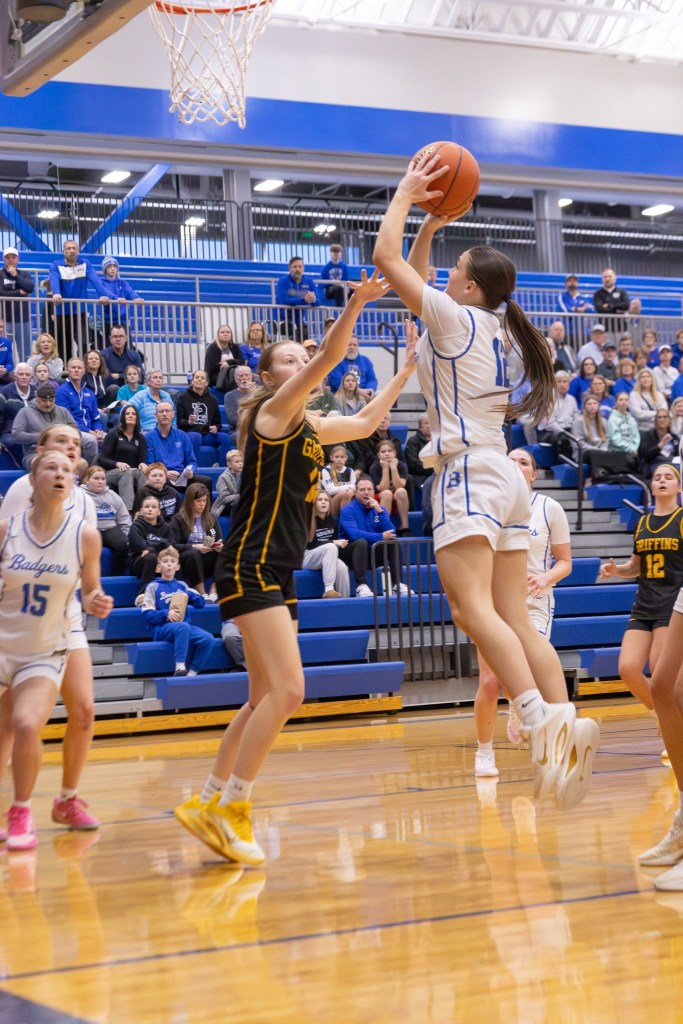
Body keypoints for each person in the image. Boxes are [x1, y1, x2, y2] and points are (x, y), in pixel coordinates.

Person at [372, 150, 599, 811]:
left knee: (471, 610)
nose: (443, 277)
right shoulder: (492, 323)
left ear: (469, 288)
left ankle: (539, 721)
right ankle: (564, 725)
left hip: (468, 470)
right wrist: (430, 226)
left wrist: (405, 194)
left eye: (453, 273)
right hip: (504, 473)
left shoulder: (454, 318)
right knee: (513, 618)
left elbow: (386, 260)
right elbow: (416, 271)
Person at [175, 269, 419, 865]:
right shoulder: (274, 413)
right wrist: (357, 304)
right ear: (268, 377)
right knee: (290, 691)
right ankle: (233, 807)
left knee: (263, 697)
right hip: (252, 561)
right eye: (290, 359)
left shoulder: (308, 425)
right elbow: (332, 355)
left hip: (276, 567)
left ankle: (208, 800)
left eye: (301, 358)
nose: (302, 362)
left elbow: (364, 424)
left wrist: (404, 373)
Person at [0, 450, 112, 850]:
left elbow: (91, 590)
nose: (61, 474)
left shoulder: (85, 535)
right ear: (32, 479)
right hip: (3, 642)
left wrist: (97, 600)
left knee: (27, 723)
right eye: (51, 467)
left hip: (44, 649)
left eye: (67, 469)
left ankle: (21, 811)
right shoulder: (6, 530)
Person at [473, 449, 572, 778]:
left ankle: (541, 734)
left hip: (534, 602)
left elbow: (565, 562)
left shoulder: (549, 508)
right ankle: (484, 751)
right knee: (490, 682)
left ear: (534, 474)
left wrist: (545, 578)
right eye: (511, 460)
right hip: (491, 602)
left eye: (524, 462)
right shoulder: (487, 508)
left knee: (530, 672)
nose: (516, 465)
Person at [599, 464, 683, 711]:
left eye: (668, 477)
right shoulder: (643, 523)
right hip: (644, 606)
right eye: (657, 478)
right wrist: (616, 570)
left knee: (660, 672)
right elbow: (635, 566)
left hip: (671, 605)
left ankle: (671, 724)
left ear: (679, 487)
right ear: (652, 487)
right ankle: (666, 717)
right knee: (627, 668)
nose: (662, 480)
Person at [140, 546, 213, 677]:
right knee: (183, 627)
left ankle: (192, 674)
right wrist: (166, 614)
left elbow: (201, 604)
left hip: (183, 628)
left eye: (172, 561)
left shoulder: (182, 586)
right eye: (165, 561)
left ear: (178, 567)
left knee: (208, 639)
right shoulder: (152, 587)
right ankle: (180, 667)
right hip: (161, 628)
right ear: (158, 567)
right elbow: (147, 615)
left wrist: (190, 595)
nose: (169, 564)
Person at [339, 475, 410, 595]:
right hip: (351, 555)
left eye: (369, 489)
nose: (366, 492)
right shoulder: (348, 510)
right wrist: (380, 537)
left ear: (373, 492)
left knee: (394, 543)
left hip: (371, 554)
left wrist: (380, 512)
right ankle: (361, 586)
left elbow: (392, 533)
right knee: (361, 542)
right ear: (356, 493)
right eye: (362, 490)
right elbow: (354, 534)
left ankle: (396, 584)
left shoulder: (379, 509)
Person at [49, 239, 109, 361]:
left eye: (74, 248)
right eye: (68, 248)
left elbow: (95, 280)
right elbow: (54, 279)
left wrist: (102, 295)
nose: (71, 251)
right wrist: (56, 293)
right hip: (62, 312)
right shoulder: (56, 265)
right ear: (64, 252)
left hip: (80, 312)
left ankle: (83, 367)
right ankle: (66, 369)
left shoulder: (85, 264)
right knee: (64, 346)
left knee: (84, 343)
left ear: (77, 250)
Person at [144, 402, 212, 493]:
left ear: (173, 414)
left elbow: (192, 461)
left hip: (182, 476)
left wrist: (191, 471)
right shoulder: (149, 437)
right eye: (161, 411)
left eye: (167, 411)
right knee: (162, 482)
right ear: (155, 415)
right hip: (163, 477)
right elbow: (150, 464)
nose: (164, 414)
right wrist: (164, 473)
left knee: (206, 481)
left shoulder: (182, 435)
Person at [169, 482, 223, 599]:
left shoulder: (211, 517)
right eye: (198, 501)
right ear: (190, 501)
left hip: (208, 557)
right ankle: (202, 593)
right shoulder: (178, 519)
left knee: (223, 553)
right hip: (189, 559)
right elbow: (173, 545)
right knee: (192, 553)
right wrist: (195, 546)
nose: (202, 504)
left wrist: (218, 546)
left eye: (204, 501)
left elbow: (219, 539)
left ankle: (214, 590)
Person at [12, 382, 82, 469]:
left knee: (82, 464)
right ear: (37, 398)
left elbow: (77, 432)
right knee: (44, 463)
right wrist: (44, 437)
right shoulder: (25, 412)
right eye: (44, 401)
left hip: (63, 451)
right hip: (35, 452)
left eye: (51, 400)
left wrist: (63, 437)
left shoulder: (63, 411)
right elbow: (16, 435)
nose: (48, 404)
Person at [80, 465, 131, 574]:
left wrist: (127, 535)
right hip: (89, 530)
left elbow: (124, 518)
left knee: (124, 545)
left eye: (103, 479)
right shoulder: (80, 495)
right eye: (96, 478)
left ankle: (116, 576)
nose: (100, 482)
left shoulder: (112, 495)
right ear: (87, 480)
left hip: (109, 528)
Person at [97, 404, 148, 510]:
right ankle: (128, 512)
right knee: (127, 472)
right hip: (111, 472)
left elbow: (141, 460)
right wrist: (117, 463)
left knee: (143, 472)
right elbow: (101, 459)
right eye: (127, 413)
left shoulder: (140, 438)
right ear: (123, 417)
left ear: (137, 418)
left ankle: (143, 508)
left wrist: (142, 464)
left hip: (131, 470)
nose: (130, 415)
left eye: (133, 414)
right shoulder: (114, 434)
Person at [175, 369, 230, 464]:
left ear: (207, 383)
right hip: (189, 433)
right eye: (197, 377)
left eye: (202, 378)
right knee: (196, 436)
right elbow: (179, 423)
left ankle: (224, 467)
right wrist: (189, 422)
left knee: (225, 437)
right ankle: (192, 467)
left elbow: (218, 423)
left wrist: (215, 428)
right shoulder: (183, 397)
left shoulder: (212, 399)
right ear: (192, 381)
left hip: (206, 434)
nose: (199, 379)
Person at [302, 491, 350, 597]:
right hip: (307, 556)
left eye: (326, 500)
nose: (323, 502)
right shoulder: (308, 520)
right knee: (331, 546)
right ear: (314, 503)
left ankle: (344, 600)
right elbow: (310, 544)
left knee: (342, 567)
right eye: (320, 500)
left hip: (326, 555)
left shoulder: (333, 521)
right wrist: (333, 542)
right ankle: (329, 589)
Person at [54, 357, 105, 458]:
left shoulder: (89, 393)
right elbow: (68, 419)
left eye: (79, 368)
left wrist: (98, 430)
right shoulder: (61, 391)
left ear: (84, 371)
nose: (76, 370)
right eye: (73, 368)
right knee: (91, 440)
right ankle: (90, 467)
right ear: (68, 370)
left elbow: (96, 417)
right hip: (71, 430)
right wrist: (89, 431)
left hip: (90, 430)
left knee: (111, 439)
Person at [127, 494, 175, 595]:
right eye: (147, 507)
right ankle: (145, 594)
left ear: (159, 511)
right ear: (141, 510)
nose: (150, 509)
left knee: (173, 558)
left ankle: (175, 592)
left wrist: (153, 548)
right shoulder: (135, 526)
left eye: (153, 507)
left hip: (161, 559)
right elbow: (142, 545)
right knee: (151, 557)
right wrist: (163, 543)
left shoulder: (166, 527)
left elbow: (171, 546)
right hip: (139, 561)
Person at [368, 439, 411, 536]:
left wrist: (394, 468)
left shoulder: (401, 465)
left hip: (397, 500)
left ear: (394, 453)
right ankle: (385, 527)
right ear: (379, 455)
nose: (387, 454)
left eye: (389, 451)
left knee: (401, 491)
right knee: (387, 493)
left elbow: (399, 486)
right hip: (380, 500)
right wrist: (385, 468)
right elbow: (383, 488)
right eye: (383, 452)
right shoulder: (374, 467)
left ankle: (404, 527)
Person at [0, 247, 34, 359]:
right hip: (5, 320)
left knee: (26, 353)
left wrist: (16, 275)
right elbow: (1, 293)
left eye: (13, 257)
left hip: (23, 319)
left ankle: (25, 370)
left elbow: (29, 288)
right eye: (8, 257)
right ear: (4, 259)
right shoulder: (0, 274)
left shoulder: (23, 274)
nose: (10, 260)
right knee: (2, 352)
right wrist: (19, 292)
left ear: (17, 259)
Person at [536, 370, 579, 459]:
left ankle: (577, 463)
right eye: (559, 381)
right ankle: (567, 464)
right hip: (549, 432)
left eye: (564, 381)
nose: (562, 384)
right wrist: (566, 433)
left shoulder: (572, 399)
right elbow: (550, 423)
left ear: (568, 384)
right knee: (565, 439)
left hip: (568, 430)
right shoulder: (548, 398)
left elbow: (576, 419)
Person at [98, 256, 143, 337]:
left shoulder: (122, 282)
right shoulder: (101, 282)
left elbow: (130, 291)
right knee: (109, 343)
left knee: (127, 343)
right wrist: (115, 299)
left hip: (123, 320)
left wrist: (137, 298)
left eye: (114, 266)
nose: (112, 269)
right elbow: (104, 292)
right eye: (109, 266)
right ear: (105, 269)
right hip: (108, 321)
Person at [275, 256, 318, 341]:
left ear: (303, 268)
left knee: (305, 338)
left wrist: (313, 300)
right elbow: (284, 300)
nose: (297, 269)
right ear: (289, 268)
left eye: (300, 266)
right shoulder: (283, 281)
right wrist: (303, 300)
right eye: (294, 267)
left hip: (300, 322)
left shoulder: (309, 282)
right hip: (283, 321)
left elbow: (319, 301)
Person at [327, 334, 378, 399]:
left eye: (354, 345)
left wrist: (370, 390)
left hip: (365, 393)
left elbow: (372, 379)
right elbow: (337, 383)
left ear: (358, 347)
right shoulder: (337, 361)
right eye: (349, 345)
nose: (352, 347)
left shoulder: (366, 360)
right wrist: (358, 391)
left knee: (380, 395)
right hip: (344, 394)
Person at [101, 324, 145, 397]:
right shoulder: (103, 355)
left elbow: (141, 378)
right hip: (112, 394)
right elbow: (107, 380)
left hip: (130, 391)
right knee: (114, 388)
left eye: (121, 336)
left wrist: (119, 375)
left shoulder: (134, 355)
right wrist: (131, 375)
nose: (118, 339)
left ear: (126, 338)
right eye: (115, 336)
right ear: (110, 339)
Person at [126, 367, 174, 433]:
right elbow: (125, 411)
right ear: (148, 381)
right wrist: (136, 432)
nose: (158, 380)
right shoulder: (141, 396)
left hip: (167, 432)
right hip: (147, 432)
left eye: (160, 378)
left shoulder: (166, 396)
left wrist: (173, 432)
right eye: (155, 377)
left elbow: (174, 417)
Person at [639, 409, 680, 479]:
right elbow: (645, 456)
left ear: (669, 420)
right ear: (655, 421)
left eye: (665, 417)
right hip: (655, 465)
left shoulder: (674, 437)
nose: (662, 419)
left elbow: (678, 455)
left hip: (673, 465)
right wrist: (659, 446)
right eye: (659, 417)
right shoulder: (649, 435)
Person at [607, 391, 641, 469]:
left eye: (626, 400)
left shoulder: (632, 419)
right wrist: (630, 449)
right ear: (616, 402)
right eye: (621, 400)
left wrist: (634, 448)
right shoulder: (612, 419)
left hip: (632, 453)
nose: (624, 402)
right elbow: (615, 439)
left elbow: (636, 436)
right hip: (617, 453)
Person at [204, 324, 244, 390]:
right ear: (218, 335)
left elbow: (241, 361)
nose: (225, 334)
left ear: (231, 335)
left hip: (234, 374)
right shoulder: (212, 347)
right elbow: (209, 367)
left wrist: (228, 362)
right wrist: (222, 365)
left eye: (228, 332)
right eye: (222, 332)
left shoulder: (235, 347)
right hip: (218, 376)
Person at [320, 444, 357, 515]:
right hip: (331, 501)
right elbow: (330, 491)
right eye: (336, 457)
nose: (339, 459)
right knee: (346, 493)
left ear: (346, 458)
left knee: (350, 494)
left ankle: (348, 516)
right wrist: (349, 487)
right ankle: (345, 518)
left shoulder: (350, 471)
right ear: (331, 458)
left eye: (342, 457)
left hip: (348, 499)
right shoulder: (326, 470)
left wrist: (352, 490)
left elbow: (354, 487)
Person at [224, 364, 256, 441]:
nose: (244, 378)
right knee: (250, 436)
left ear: (251, 377)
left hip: (258, 427)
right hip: (238, 430)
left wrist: (253, 393)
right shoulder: (229, 396)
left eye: (246, 375)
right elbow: (233, 420)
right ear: (236, 379)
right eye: (241, 375)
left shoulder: (258, 393)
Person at [593, 268, 629, 335]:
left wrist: (610, 305)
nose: (607, 279)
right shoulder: (598, 294)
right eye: (605, 277)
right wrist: (617, 309)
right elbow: (599, 309)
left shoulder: (622, 292)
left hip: (621, 328)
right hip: (605, 330)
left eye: (609, 276)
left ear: (615, 279)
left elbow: (626, 305)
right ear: (602, 279)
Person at [404, 413, 434, 494]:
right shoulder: (413, 441)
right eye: (426, 423)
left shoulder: (439, 441)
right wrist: (433, 470)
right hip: (420, 476)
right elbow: (413, 465)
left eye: (431, 423)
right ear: (420, 427)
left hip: (436, 473)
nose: (429, 426)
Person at [211, 449, 243, 518]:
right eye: (237, 462)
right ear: (229, 464)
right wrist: (241, 496)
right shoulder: (223, 477)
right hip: (224, 506)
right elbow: (224, 499)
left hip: (240, 502)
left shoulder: (245, 475)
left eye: (242, 461)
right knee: (236, 503)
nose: (240, 464)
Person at [0, 318, 16, 383]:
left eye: (1, 327)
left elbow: (10, 364)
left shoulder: (7, 342)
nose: (1, 329)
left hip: (3, 377)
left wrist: (5, 369)